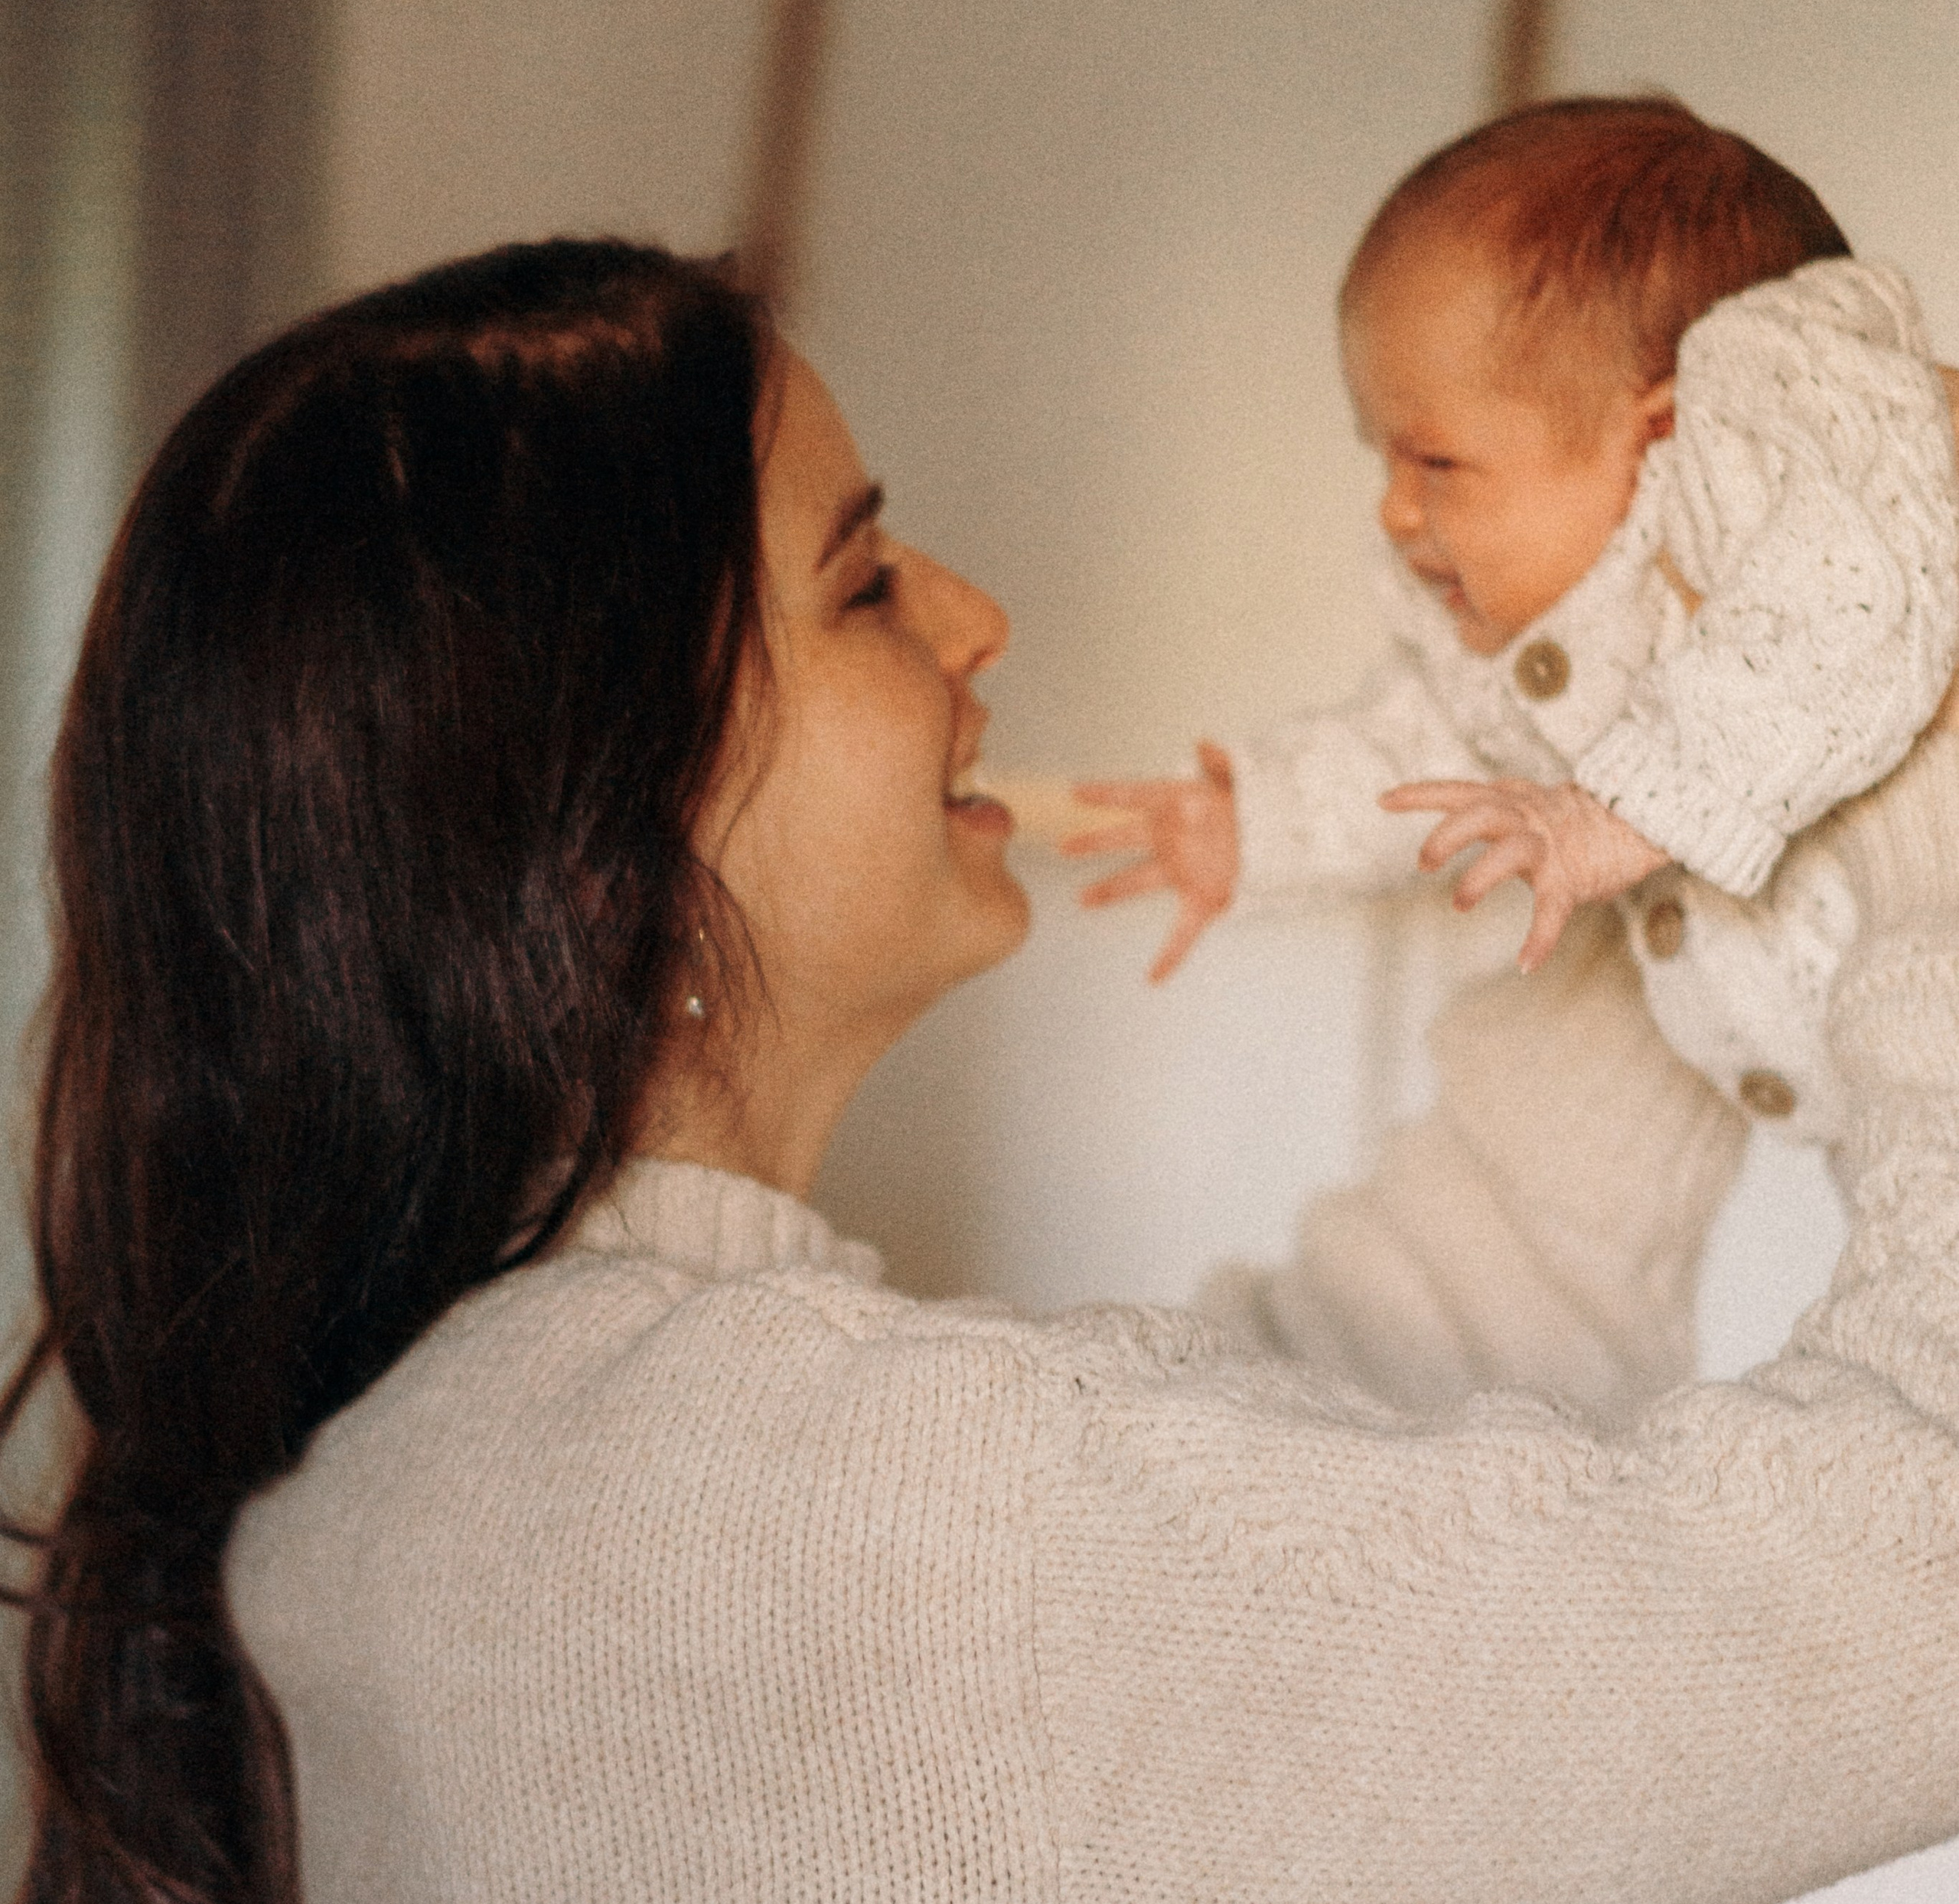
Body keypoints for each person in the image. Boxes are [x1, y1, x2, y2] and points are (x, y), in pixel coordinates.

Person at [7, 236, 1959, 1904]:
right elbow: (1900, 1591)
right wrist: (1914, 813)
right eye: (862, 584)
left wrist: (1675, 846)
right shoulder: (876, 1520)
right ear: (601, 857)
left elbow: (1349, 1425)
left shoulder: (399, 1496)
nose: (974, 620)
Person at [1071, 97, 1959, 1423]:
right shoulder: (1536, 638)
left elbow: (1864, 593)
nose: (1395, 509)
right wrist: (1261, 822)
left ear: (1662, 435)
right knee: (1593, 1069)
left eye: (1435, 459)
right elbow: (1426, 748)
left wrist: (1624, 811)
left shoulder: (1775, 438)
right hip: (1794, 993)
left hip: (1930, 887)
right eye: (1381, 457)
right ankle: (1391, 1404)